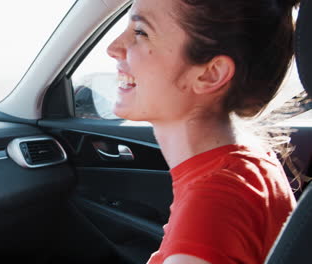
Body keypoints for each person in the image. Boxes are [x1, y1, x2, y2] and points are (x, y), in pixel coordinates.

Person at [107, 0, 300, 263]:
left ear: (210, 74)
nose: (113, 48)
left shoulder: (214, 203)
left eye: (141, 32)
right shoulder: (248, 162)